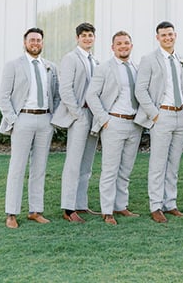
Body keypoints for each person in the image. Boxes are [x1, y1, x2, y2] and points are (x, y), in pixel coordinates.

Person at [0, 27, 60, 229]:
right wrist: (14, 120)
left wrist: (54, 119)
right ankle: (12, 213)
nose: (35, 43)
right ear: (25, 42)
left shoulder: (50, 67)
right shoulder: (13, 65)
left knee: (39, 168)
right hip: (23, 118)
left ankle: (35, 210)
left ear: (42, 43)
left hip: (45, 121)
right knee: (17, 167)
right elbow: (4, 97)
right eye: (32, 40)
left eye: (39, 40)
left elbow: (56, 96)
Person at [134, 21, 183, 223]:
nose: (168, 38)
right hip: (162, 115)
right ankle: (155, 206)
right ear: (157, 38)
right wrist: (154, 114)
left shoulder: (182, 59)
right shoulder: (149, 59)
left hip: (181, 115)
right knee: (158, 163)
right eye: (163, 35)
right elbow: (140, 90)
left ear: (175, 35)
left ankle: (170, 203)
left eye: (170, 34)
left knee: (174, 163)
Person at [86, 31, 142, 225]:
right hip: (114, 122)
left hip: (134, 124)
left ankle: (121, 205)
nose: (123, 46)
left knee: (126, 169)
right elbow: (91, 95)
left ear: (131, 45)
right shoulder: (105, 68)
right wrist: (104, 119)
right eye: (119, 43)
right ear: (113, 47)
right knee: (110, 169)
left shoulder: (137, 67)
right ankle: (107, 210)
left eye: (126, 43)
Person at [51, 22, 100, 223]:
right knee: (73, 162)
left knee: (87, 163)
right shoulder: (70, 58)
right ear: (77, 38)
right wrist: (77, 114)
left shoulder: (95, 61)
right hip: (79, 115)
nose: (87, 38)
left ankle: (81, 203)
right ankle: (68, 208)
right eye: (84, 35)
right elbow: (65, 89)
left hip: (93, 115)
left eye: (90, 35)